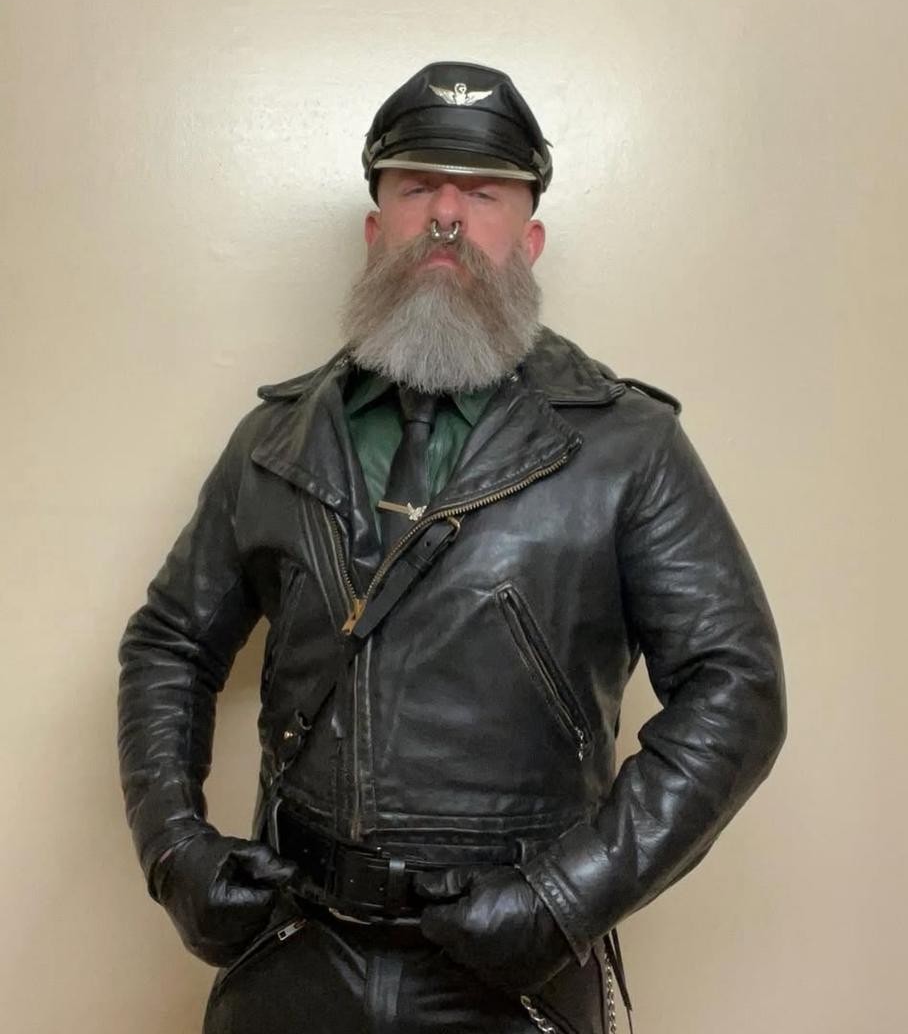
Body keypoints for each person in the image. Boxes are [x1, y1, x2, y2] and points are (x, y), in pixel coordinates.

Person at [118, 61, 786, 1034]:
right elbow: (171, 643)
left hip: (512, 975)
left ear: (529, 239)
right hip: (289, 957)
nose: (445, 216)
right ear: (374, 229)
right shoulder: (272, 441)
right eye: (417, 187)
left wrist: (563, 900)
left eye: (482, 194)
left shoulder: (629, 448)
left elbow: (737, 688)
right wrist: (172, 849)